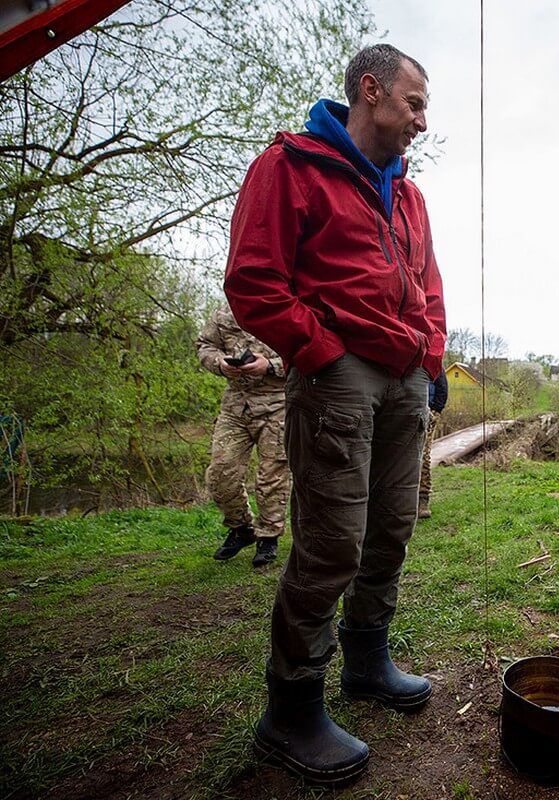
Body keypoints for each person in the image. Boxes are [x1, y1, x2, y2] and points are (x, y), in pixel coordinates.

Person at [223, 44, 446, 787]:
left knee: (391, 526)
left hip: (405, 378)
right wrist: (321, 351)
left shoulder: (410, 197)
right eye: (415, 103)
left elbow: (429, 288)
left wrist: (431, 359)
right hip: (339, 377)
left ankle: (367, 661)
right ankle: (290, 711)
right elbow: (253, 282)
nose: (422, 121)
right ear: (371, 91)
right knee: (331, 544)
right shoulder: (289, 167)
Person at [196, 304, 290, 568]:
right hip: (236, 406)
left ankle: (268, 537)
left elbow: (308, 351)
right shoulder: (225, 313)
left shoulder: (285, 305)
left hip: (278, 404)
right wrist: (220, 364)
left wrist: (269, 366)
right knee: (220, 472)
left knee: (272, 476)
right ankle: (241, 528)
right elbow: (205, 345)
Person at [418, 371, 448, 519]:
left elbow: (442, 388)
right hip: (404, 409)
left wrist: (436, 411)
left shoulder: (433, 363)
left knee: (423, 455)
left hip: (428, 411)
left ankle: (423, 499)